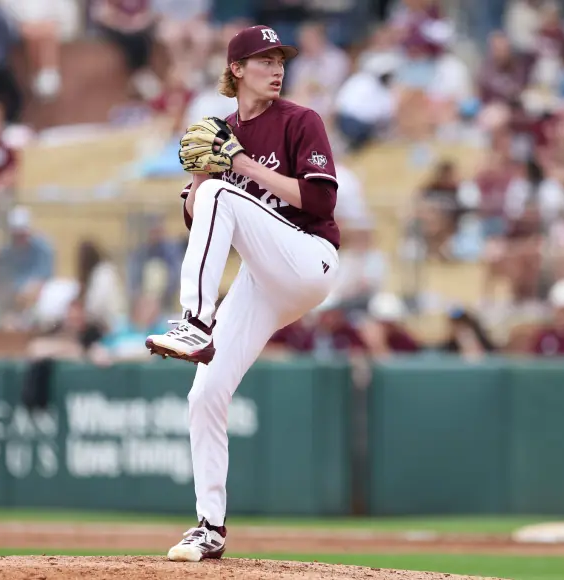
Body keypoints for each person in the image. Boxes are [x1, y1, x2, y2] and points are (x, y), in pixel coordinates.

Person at [144, 25, 340, 562]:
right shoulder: (221, 131)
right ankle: (209, 527)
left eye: (280, 59)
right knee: (204, 394)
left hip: (309, 259)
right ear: (236, 69)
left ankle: (195, 321)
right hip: (262, 279)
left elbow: (320, 204)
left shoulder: (302, 121)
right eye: (263, 59)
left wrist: (237, 170)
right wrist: (199, 185)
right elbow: (198, 216)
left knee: (224, 194)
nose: (276, 68)